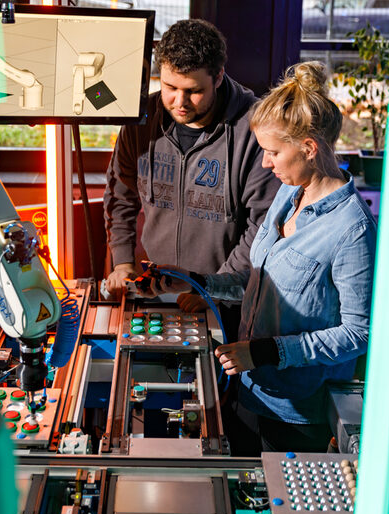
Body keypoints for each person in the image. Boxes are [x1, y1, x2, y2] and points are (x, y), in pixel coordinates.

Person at [138, 61, 377, 454]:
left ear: (309, 148)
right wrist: (196, 280)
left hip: (296, 410)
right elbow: (257, 278)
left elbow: (359, 333)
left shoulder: (353, 230)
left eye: (273, 152)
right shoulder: (289, 193)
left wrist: (267, 352)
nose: (266, 163)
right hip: (251, 389)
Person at [103, 19, 280, 314]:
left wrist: (213, 288)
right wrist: (122, 262)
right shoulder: (140, 122)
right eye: (170, 87)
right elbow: (121, 198)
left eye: (193, 90)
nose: (179, 102)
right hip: (156, 293)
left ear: (219, 76)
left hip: (228, 302)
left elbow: (262, 224)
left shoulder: (256, 129)